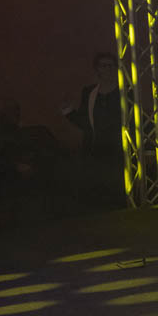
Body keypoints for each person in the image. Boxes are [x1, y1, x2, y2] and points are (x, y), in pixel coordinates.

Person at [62, 52, 124, 208]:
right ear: (97, 69)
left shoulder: (125, 91)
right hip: (95, 149)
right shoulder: (89, 93)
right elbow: (86, 122)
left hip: (118, 150)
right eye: (104, 65)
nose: (108, 69)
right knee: (97, 191)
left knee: (117, 191)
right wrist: (68, 112)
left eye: (111, 65)